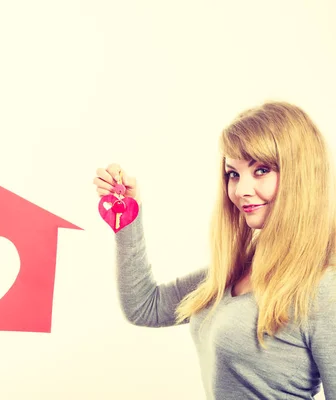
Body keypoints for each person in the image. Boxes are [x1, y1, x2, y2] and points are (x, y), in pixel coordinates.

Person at [94, 101, 336, 399]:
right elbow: (145, 307)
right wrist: (127, 222)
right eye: (233, 173)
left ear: (302, 176)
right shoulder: (234, 270)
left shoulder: (325, 287)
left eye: (261, 170)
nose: (241, 189)